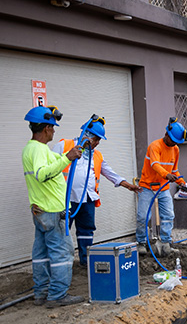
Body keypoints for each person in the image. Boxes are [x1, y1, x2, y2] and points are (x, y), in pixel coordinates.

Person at [53, 115, 141, 266]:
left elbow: (109, 173)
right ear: (87, 135)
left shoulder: (97, 155)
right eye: (96, 139)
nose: (98, 143)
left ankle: (85, 262)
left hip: (87, 199)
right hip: (65, 199)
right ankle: (60, 263)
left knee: (86, 231)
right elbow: (50, 168)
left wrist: (128, 185)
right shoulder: (64, 145)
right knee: (62, 231)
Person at [21, 106, 85, 307]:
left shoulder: (31, 149)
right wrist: (68, 157)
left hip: (41, 210)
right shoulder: (39, 149)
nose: (55, 131)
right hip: (51, 211)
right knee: (62, 253)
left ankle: (42, 293)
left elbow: (55, 162)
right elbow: (42, 174)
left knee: (40, 254)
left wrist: (70, 154)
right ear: (46, 127)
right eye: (53, 127)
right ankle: (57, 295)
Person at [136, 118, 187, 255]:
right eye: (173, 141)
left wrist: (181, 183)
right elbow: (155, 165)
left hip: (163, 188)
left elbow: (174, 170)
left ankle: (165, 242)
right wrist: (166, 175)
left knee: (168, 215)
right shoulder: (155, 146)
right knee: (143, 217)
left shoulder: (175, 149)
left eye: (177, 142)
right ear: (167, 135)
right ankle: (141, 242)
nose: (174, 144)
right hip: (147, 187)